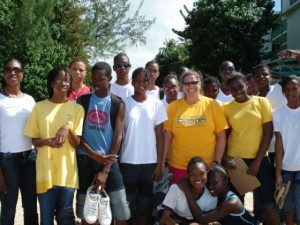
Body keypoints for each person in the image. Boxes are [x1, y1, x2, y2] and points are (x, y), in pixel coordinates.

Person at [23, 66, 84, 225]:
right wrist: (46, 142)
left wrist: (67, 128)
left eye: (66, 80)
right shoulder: (39, 107)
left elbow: (76, 143)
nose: (63, 83)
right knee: (46, 219)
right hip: (45, 172)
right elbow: (34, 140)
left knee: (65, 218)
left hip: (67, 172)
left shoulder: (77, 109)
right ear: (51, 83)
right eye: (59, 79)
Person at [76, 62, 130, 225]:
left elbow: (118, 137)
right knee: (88, 214)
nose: (97, 82)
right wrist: (93, 154)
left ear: (110, 79)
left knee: (121, 212)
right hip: (85, 160)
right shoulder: (82, 101)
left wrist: (105, 169)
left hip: (108, 161)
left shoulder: (117, 103)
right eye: (94, 79)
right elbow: (77, 134)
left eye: (101, 78)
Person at [222, 73, 278, 225]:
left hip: (259, 159)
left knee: (267, 200)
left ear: (247, 84)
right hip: (236, 161)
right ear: (229, 90)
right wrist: (225, 158)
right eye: (232, 89)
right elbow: (224, 136)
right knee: (237, 202)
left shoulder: (261, 102)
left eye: (240, 86)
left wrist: (257, 162)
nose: (237, 90)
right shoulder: (226, 108)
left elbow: (268, 132)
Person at [119, 67, 167, 225]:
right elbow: (119, 134)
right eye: (137, 81)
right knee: (126, 205)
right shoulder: (123, 104)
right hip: (127, 162)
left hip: (149, 163)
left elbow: (160, 136)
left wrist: (160, 164)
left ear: (149, 82)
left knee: (144, 206)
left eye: (144, 81)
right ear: (132, 82)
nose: (141, 83)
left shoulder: (157, 104)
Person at [162, 69, 228, 184]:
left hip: (207, 167)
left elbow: (221, 136)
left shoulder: (212, 105)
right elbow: (167, 137)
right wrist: (162, 163)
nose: (190, 86)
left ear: (200, 84)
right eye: (186, 83)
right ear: (181, 87)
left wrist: (216, 163)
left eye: (194, 82)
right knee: (180, 201)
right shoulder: (173, 107)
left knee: (206, 202)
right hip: (179, 166)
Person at [0, 58, 38, 225]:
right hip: (7, 161)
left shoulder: (30, 100)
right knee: (8, 208)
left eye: (16, 69)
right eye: (8, 69)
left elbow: (38, 130)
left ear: (22, 74)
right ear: (3, 74)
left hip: (30, 158)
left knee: (30, 207)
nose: (12, 73)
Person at [178, 165, 258, 225]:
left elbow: (202, 218)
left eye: (215, 183)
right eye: (208, 183)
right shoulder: (216, 197)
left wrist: (186, 190)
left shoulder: (232, 202)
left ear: (225, 182)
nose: (210, 186)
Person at [273, 75, 300, 225]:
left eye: (295, 88)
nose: (291, 92)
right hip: (286, 168)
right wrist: (278, 172)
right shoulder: (277, 113)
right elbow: (279, 143)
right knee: (287, 207)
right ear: (283, 92)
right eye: (287, 89)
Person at [160, 157, 217, 225]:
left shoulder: (212, 195)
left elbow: (205, 221)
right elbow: (164, 218)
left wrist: (187, 191)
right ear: (188, 175)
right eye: (193, 175)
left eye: (202, 173)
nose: (198, 178)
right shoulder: (176, 188)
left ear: (207, 172)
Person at [253, 64, 286, 165]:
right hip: (269, 149)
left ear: (271, 77)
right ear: (254, 80)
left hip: (289, 145)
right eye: (257, 76)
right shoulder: (254, 101)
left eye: (265, 74)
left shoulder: (280, 87)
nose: (261, 77)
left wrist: (297, 55)